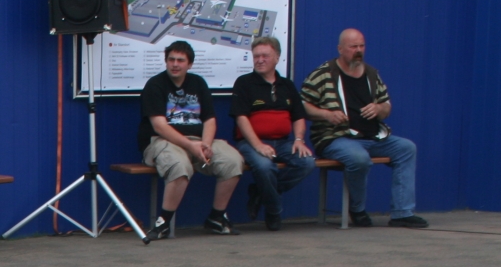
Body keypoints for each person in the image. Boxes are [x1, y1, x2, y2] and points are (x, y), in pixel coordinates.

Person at [301, 28, 426, 228]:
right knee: (359, 158)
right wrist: (327, 114)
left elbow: (387, 106)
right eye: (353, 47)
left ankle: (402, 213)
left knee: (407, 148)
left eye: (362, 46)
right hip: (335, 138)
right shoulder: (323, 74)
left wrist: (379, 108)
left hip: (372, 136)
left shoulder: (372, 74)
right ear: (340, 49)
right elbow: (302, 106)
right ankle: (357, 210)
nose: (358, 51)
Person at [138, 40, 242, 239]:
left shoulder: (198, 83)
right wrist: (190, 146)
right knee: (179, 164)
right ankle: (163, 223)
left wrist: (206, 144)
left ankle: (216, 218)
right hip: (161, 141)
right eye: (171, 60)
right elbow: (159, 125)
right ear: (166, 61)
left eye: (180, 60)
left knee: (233, 160)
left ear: (190, 64)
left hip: (198, 140)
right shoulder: (155, 85)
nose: (175, 64)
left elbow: (210, 119)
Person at [230, 36, 314, 231]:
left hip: (283, 143)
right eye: (256, 56)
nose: (260, 60)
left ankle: (262, 192)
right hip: (251, 143)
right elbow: (241, 118)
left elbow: (298, 116)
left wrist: (299, 139)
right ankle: (274, 212)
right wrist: (258, 145)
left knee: (307, 162)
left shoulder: (287, 85)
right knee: (265, 166)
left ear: (277, 57)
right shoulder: (244, 83)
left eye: (265, 56)